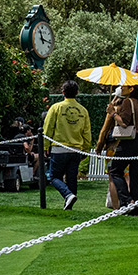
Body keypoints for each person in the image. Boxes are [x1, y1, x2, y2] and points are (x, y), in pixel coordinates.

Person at [98, 83, 138, 214]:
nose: (121, 88)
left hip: (129, 141)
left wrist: (112, 113)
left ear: (131, 89)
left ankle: (127, 201)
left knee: (115, 171)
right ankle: (136, 209)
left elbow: (124, 122)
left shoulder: (128, 102)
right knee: (136, 177)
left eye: (124, 87)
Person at [41, 80, 92, 210]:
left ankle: (68, 195)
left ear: (62, 92)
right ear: (77, 92)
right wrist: (86, 149)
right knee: (71, 178)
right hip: (76, 149)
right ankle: (69, 203)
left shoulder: (56, 108)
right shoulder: (83, 110)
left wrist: (45, 145)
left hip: (59, 148)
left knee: (53, 177)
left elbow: (48, 128)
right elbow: (87, 132)